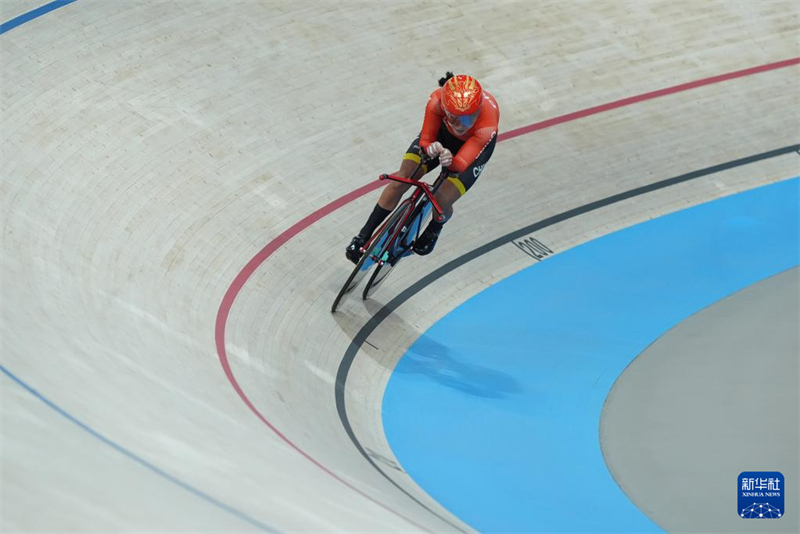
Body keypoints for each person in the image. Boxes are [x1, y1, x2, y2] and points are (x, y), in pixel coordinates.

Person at [346, 72, 499, 263]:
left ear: (479, 109)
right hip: (441, 136)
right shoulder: (436, 101)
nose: (462, 125)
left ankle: (435, 227)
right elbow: (426, 139)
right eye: (456, 118)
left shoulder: (487, 125)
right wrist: (431, 147)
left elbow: (459, 165)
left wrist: (450, 160)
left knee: (441, 199)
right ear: (445, 109)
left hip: (472, 149)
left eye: (470, 118)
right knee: (402, 180)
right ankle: (362, 236)